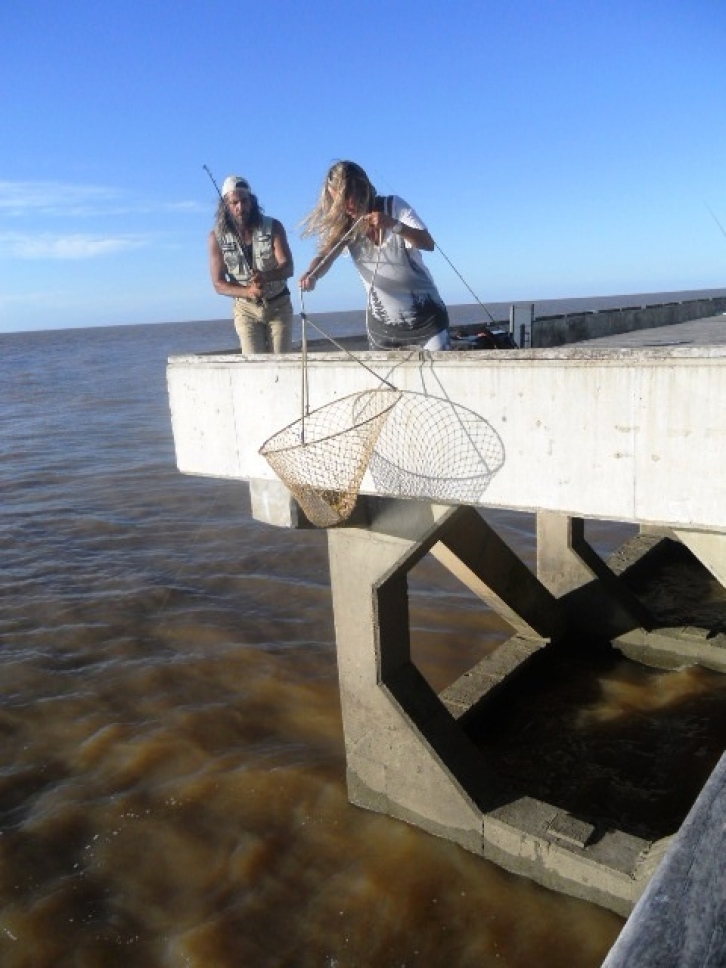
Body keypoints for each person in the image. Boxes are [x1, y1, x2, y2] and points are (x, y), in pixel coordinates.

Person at [299, 161, 450, 350]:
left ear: (362, 188)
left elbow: (428, 243)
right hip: (382, 330)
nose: (343, 207)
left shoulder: (394, 206)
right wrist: (312, 273)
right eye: (336, 201)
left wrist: (394, 225)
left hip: (428, 321)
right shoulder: (345, 225)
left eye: (346, 198)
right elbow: (325, 255)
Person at [209, 175, 294, 353]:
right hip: (245, 309)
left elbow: (287, 267)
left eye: (245, 201)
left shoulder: (274, 226)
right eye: (234, 203)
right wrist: (248, 291)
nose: (241, 207)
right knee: (253, 364)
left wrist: (266, 276)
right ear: (226, 205)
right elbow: (219, 284)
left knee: (281, 362)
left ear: (252, 201)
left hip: (278, 305)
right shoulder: (215, 238)